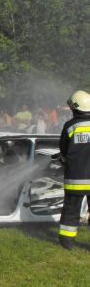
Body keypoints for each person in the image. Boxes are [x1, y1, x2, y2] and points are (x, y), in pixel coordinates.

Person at [57, 90, 90, 250]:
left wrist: (63, 160)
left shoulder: (70, 126)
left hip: (75, 179)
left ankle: (67, 242)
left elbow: (63, 151)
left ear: (75, 108)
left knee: (71, 210)